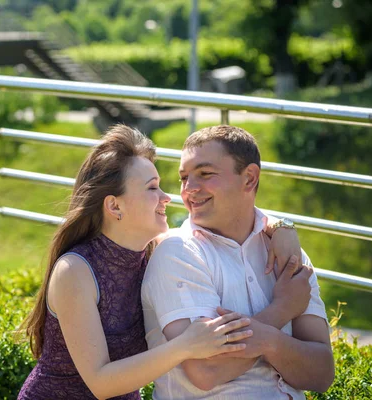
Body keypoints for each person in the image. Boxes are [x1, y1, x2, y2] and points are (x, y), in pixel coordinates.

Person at [18, 124, 302, 400]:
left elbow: (240, 214)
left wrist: (281, 227)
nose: (167, 197)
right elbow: (101, 383)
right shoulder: (75, 271)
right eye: (152, 188)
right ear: (115, 206)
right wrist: (185, 346)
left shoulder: (155, 250)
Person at [141, 125, 334, 400]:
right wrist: (282, 310)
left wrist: (265, 340)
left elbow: (322, 373)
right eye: (184, 178)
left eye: (205, 174)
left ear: (249, 178)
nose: (189, 190)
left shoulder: (285, 251)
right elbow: (207, 370)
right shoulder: (179, 252)